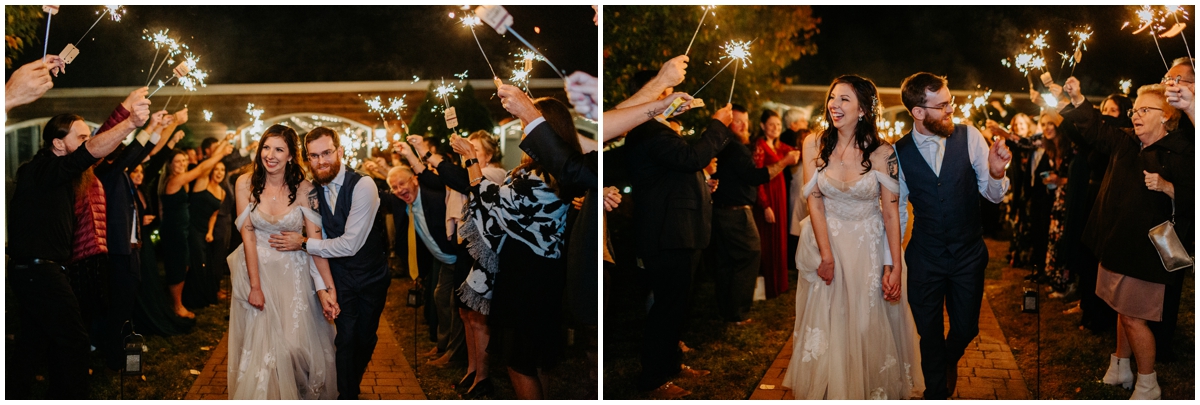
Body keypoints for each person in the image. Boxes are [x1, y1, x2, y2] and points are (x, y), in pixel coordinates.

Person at [783, 75, 923, 399]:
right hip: (826, 243)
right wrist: (826, 255)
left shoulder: (882, 152)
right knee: (829, 326)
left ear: (863, 108)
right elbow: (814, 200)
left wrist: (895, 265)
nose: (835, 104)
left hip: (868, 249)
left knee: (865, 326)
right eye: (833, 97)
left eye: (845, 99)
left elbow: (890, 213)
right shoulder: (813, 144)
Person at [6, 94, 150, 399]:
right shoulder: (40, 170)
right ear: (59, 144)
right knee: (74, 341)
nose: (88, 142)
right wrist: (130, 123)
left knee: (32, 346)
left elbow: (94, 148)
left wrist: (126, 107)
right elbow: (90, 151)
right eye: (80, 137)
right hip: (38, 272)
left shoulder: (61, 172)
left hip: (39, 271)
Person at [1060, 79, 1192, 400]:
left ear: (1166, 116)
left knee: (1134, 317)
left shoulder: (1181, 151)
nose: (1135, 114)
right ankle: (1120, 367)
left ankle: (1149, 384)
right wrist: (1077, 98)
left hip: (1147, 252)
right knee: (1121, 309)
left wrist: (1168, 187)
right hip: (1116, 243)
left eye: (1145, 109)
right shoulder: (1126, 142)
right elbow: (1093, 130)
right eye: (1135, 109)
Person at [450, 95, 583, 400]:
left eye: (527, 126)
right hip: (539, 272)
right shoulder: (550, 173)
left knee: (519, 362)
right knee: (533, 361)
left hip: (528, 277)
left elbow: (490, 199)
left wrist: (471, 157)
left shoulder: (543, 177)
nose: (524, 134)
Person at [893, 72, 1011, 400]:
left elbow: (992, 195)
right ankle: (937, 393)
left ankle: (948, 359)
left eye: (950, 102)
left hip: (968, 254)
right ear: (918, 112)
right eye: (942, 105)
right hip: (924, 257)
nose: (950, 110)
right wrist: (894, 259)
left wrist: (997, 172)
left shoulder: (969, 136)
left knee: (966, 328)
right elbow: (899, 210)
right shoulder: (897, 152)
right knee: (928, 333)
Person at [623, 85, 734, 397]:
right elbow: (692, 157)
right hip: (667, 234)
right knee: (666, 309)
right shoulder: (647, 131)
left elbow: (676, 175)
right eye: (667, 91)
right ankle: (654, 379)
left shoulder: (662, 130)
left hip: (679, 231)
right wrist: (718, 124)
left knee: (677, 306)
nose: (674, 97)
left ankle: (670, 365)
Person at [269, 127, 392, 400]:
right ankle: (347, 395)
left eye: (326, 153)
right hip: (340, 277)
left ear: (340, 151)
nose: (321, 161)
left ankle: (350, 383)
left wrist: (301, 243)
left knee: (365, 338)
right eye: (313, 156)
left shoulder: (363, 185)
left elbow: (350, 243)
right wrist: (324, 286)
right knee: (345, 339)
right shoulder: (313, 192)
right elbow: (319, 240)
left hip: (372, 276)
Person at [226, 125, 338, 399]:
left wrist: (328, 289)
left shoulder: (305, 189)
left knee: (294, 347)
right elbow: (248, 234)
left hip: (294, 278)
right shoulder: (244, 183)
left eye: (279, 149)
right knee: (263, 350)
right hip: (257, 272)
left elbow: (315, 242)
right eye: (266, 147)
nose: (270, 155)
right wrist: (255, 285)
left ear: (291, 156)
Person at [96, 89, 165, 371]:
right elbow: (133, 152)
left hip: (132, 250)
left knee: (129, 303)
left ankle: (127, 352)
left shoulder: (121, 172)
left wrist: (158, 128)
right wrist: (148, 127)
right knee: (119, 307)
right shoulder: (106, 172)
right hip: (118, 251)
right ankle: (115, 358)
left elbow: (141, 152)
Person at [710, 103, 798, 324]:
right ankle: (738, 313)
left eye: (745, 121)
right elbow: (756, 177)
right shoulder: (736, 148)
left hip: (721, 211)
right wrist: (785, 163)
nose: (742, 126)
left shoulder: (722, 145)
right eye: (737, 121)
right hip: (737, 213)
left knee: (725, 262)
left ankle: (726, 310)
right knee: (749, 256)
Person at [392, 136, 468, 371]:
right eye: (394, 187)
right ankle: (442, 345)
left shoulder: (434, 198)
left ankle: (454, 354)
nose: (399, 190)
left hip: (459, 257)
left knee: (457, 306)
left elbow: (431, 178)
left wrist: (413, 154)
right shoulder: (405, 206)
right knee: (439, 299)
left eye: (402, 184)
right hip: (443, 261)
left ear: (415, 181)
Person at [158, 136, 233, 319]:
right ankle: (177, 305)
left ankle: (179, 301)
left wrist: (223, 145)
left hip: (181, 228)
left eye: (184, 160)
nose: (182, 164)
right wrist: (221, 152)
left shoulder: (181, 180)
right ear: (170, 164)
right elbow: (202, 168)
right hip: (174, 229)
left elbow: (204, 167)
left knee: (183, 265)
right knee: (177, 266)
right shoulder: (174, 180)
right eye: (178, 161)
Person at [752, 109, 797, 299]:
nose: (775, 128)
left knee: (779, 238)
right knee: (767, 240)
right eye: (771, 124)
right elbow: (757, 179)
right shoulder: (760, 146)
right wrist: (765, 205)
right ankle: (767, 286)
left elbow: (797, 152)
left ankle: (779, 283)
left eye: (778, 125)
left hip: (780, 194)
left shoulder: (779, 146)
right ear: (763, 126)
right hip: (768, 196)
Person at [182, 159, 227, 309]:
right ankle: (192, 299)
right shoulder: (203, 183)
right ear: (212, 171)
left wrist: (209, 232)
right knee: (196, 262)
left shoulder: (222, 192)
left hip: (204, 230)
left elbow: (214, 215)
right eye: (217, 169)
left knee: (205, 263)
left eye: (222, 170)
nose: (219, 173)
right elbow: (203, 168)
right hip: (192, 227)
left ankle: (203, 296)